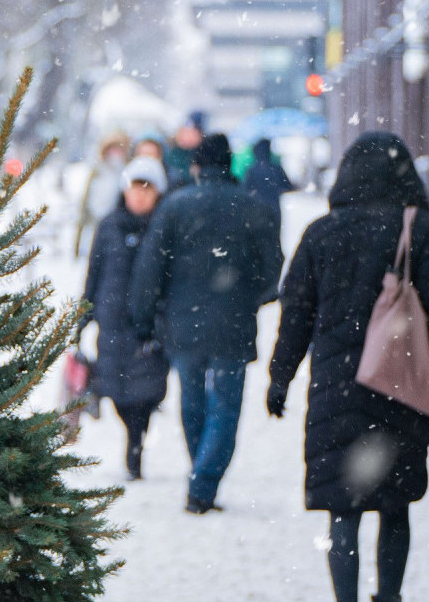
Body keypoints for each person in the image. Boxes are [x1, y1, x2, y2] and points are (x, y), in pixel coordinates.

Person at [266, 131, 429, 602]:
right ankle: (390, 596)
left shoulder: (321, 233)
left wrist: (281, 377)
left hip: (338, 391)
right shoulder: (419, 230)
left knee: (344, 510)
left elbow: (296, 313)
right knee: (395, 506)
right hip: (403, 385)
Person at [128, 133, 284, 513]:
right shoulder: (253, 207)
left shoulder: (174, 207)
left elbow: (150, 268)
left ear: (196, 166)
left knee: (192, 402)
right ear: (229, 165)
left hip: (183, 324)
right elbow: (272, 268)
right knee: (226, 407)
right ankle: (204, 480)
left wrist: (144, 318)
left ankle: (200, 473)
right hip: (233, 323)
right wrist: (251, 298)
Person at [80, 156, 171, 481]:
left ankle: (136, 446)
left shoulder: (165, 226)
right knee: (117, 392)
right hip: (112, 322)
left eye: (148, 189)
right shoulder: (109, 225)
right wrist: (83, 315)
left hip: (149, 325)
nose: (140, 196)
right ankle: (133, 439)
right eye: (136, 188)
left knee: (146, 394)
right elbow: (94, 273)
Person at [74, 130, 131, 257]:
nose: (115, 154)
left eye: (119, 150)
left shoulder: (126, 173)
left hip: (115, 227)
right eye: (112, 149)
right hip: (93, 225)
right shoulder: (97, 171)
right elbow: (86, 201)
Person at [243, 137, 295, 232]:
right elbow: (289, 186)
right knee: (274, 240)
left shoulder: (251, 170)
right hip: (274, 210)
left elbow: (245, 190)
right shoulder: (277, 168)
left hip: (256, 211)